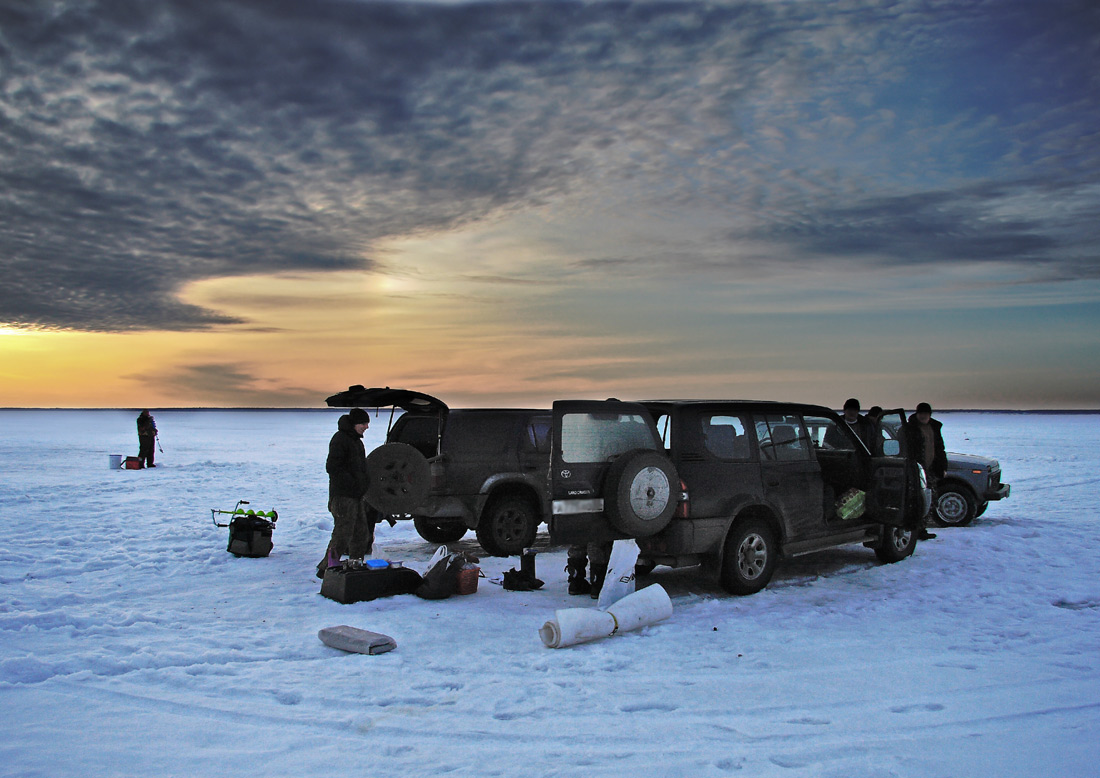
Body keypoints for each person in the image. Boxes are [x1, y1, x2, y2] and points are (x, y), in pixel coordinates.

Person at [317, 408, 376, 578]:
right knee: (342, 534)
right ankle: (326, 568)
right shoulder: (340, 439)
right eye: (364, 423)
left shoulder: (356, 441)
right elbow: (332, 467)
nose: (366, 427)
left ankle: (355, 565)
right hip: (343, 496)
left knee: (361, 533)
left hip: (356, 496)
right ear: (354, 424)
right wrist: (352, 484)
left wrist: (362, 486)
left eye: (367, 423)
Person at [905, 402, 947, 540]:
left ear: (930, 415)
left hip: (931, 469)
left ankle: (922, 529)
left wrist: (942, 467)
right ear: (917, 414)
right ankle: (912, 528)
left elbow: (940, 449)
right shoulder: (909, 428)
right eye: (921, 413)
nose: (923, 416)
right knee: (915, 500)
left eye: (926, 414)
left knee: (930, 499)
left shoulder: (934, 428)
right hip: (915, 470)